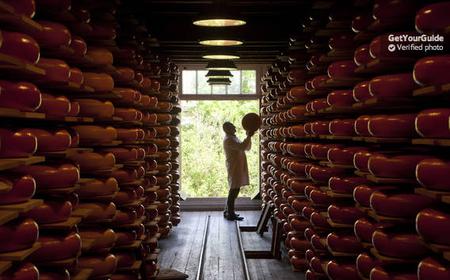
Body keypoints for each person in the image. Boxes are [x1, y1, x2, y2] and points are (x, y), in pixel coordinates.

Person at [222, 121, 254, 221]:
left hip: (237, 166)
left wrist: (249, 137)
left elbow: (245, 147)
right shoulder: (229, 140)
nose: (234, 127)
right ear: (227, 129)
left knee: (235, 189)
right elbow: (242, 147)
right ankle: (230, 213)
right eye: (232, 126)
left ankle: (228, 211)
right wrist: (248, 136)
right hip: (234, 166)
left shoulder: (232, 138)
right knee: (234, 189)